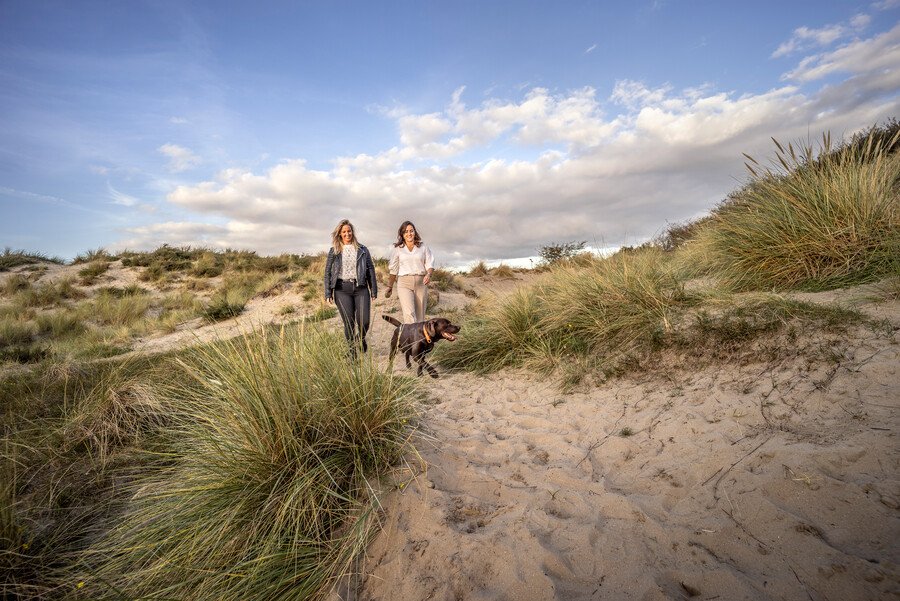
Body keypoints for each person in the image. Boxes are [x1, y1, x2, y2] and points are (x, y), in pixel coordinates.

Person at [324, 219, 377, 355]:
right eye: (344, 232)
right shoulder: (334, 251)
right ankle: (352, 352)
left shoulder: (362, 249)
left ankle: (361, 339)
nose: (347, 234)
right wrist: (328, 292)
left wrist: (373, 289)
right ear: (340, 234)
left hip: (361, 288)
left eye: (349, 231)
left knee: (364, 322)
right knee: (349, 322)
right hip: (341, 289)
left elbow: (370, 269)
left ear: (352, 232)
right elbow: (328, 272)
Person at [385, 221, 434, 324]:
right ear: (402, 234)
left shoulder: (423, 247)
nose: (409, 234)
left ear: (415, 232)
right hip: (404, 283)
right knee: (409, 314)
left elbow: (430, 264)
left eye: (411, 231)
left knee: (420, 317)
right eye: (406, 231)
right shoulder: (398, 249)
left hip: (421, 283)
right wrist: (390, 286)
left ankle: (419, 334)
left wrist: (428, 274)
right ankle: (411, 335)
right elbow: (393, 270)